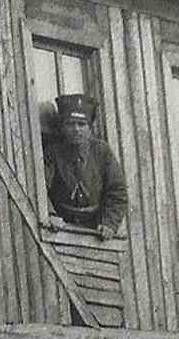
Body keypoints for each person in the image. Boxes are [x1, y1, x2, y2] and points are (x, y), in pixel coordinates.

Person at [43, 92, 128, 236]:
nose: (76, 129)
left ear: (90, 128)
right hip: (61, 227)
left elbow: (117, 192)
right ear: (63, 127)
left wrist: (109, 223)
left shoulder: (102, 151)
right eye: (71, 124)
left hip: (94, 230)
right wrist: (50, 214)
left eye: (81, 124)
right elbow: (41, 186)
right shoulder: (53, 152)